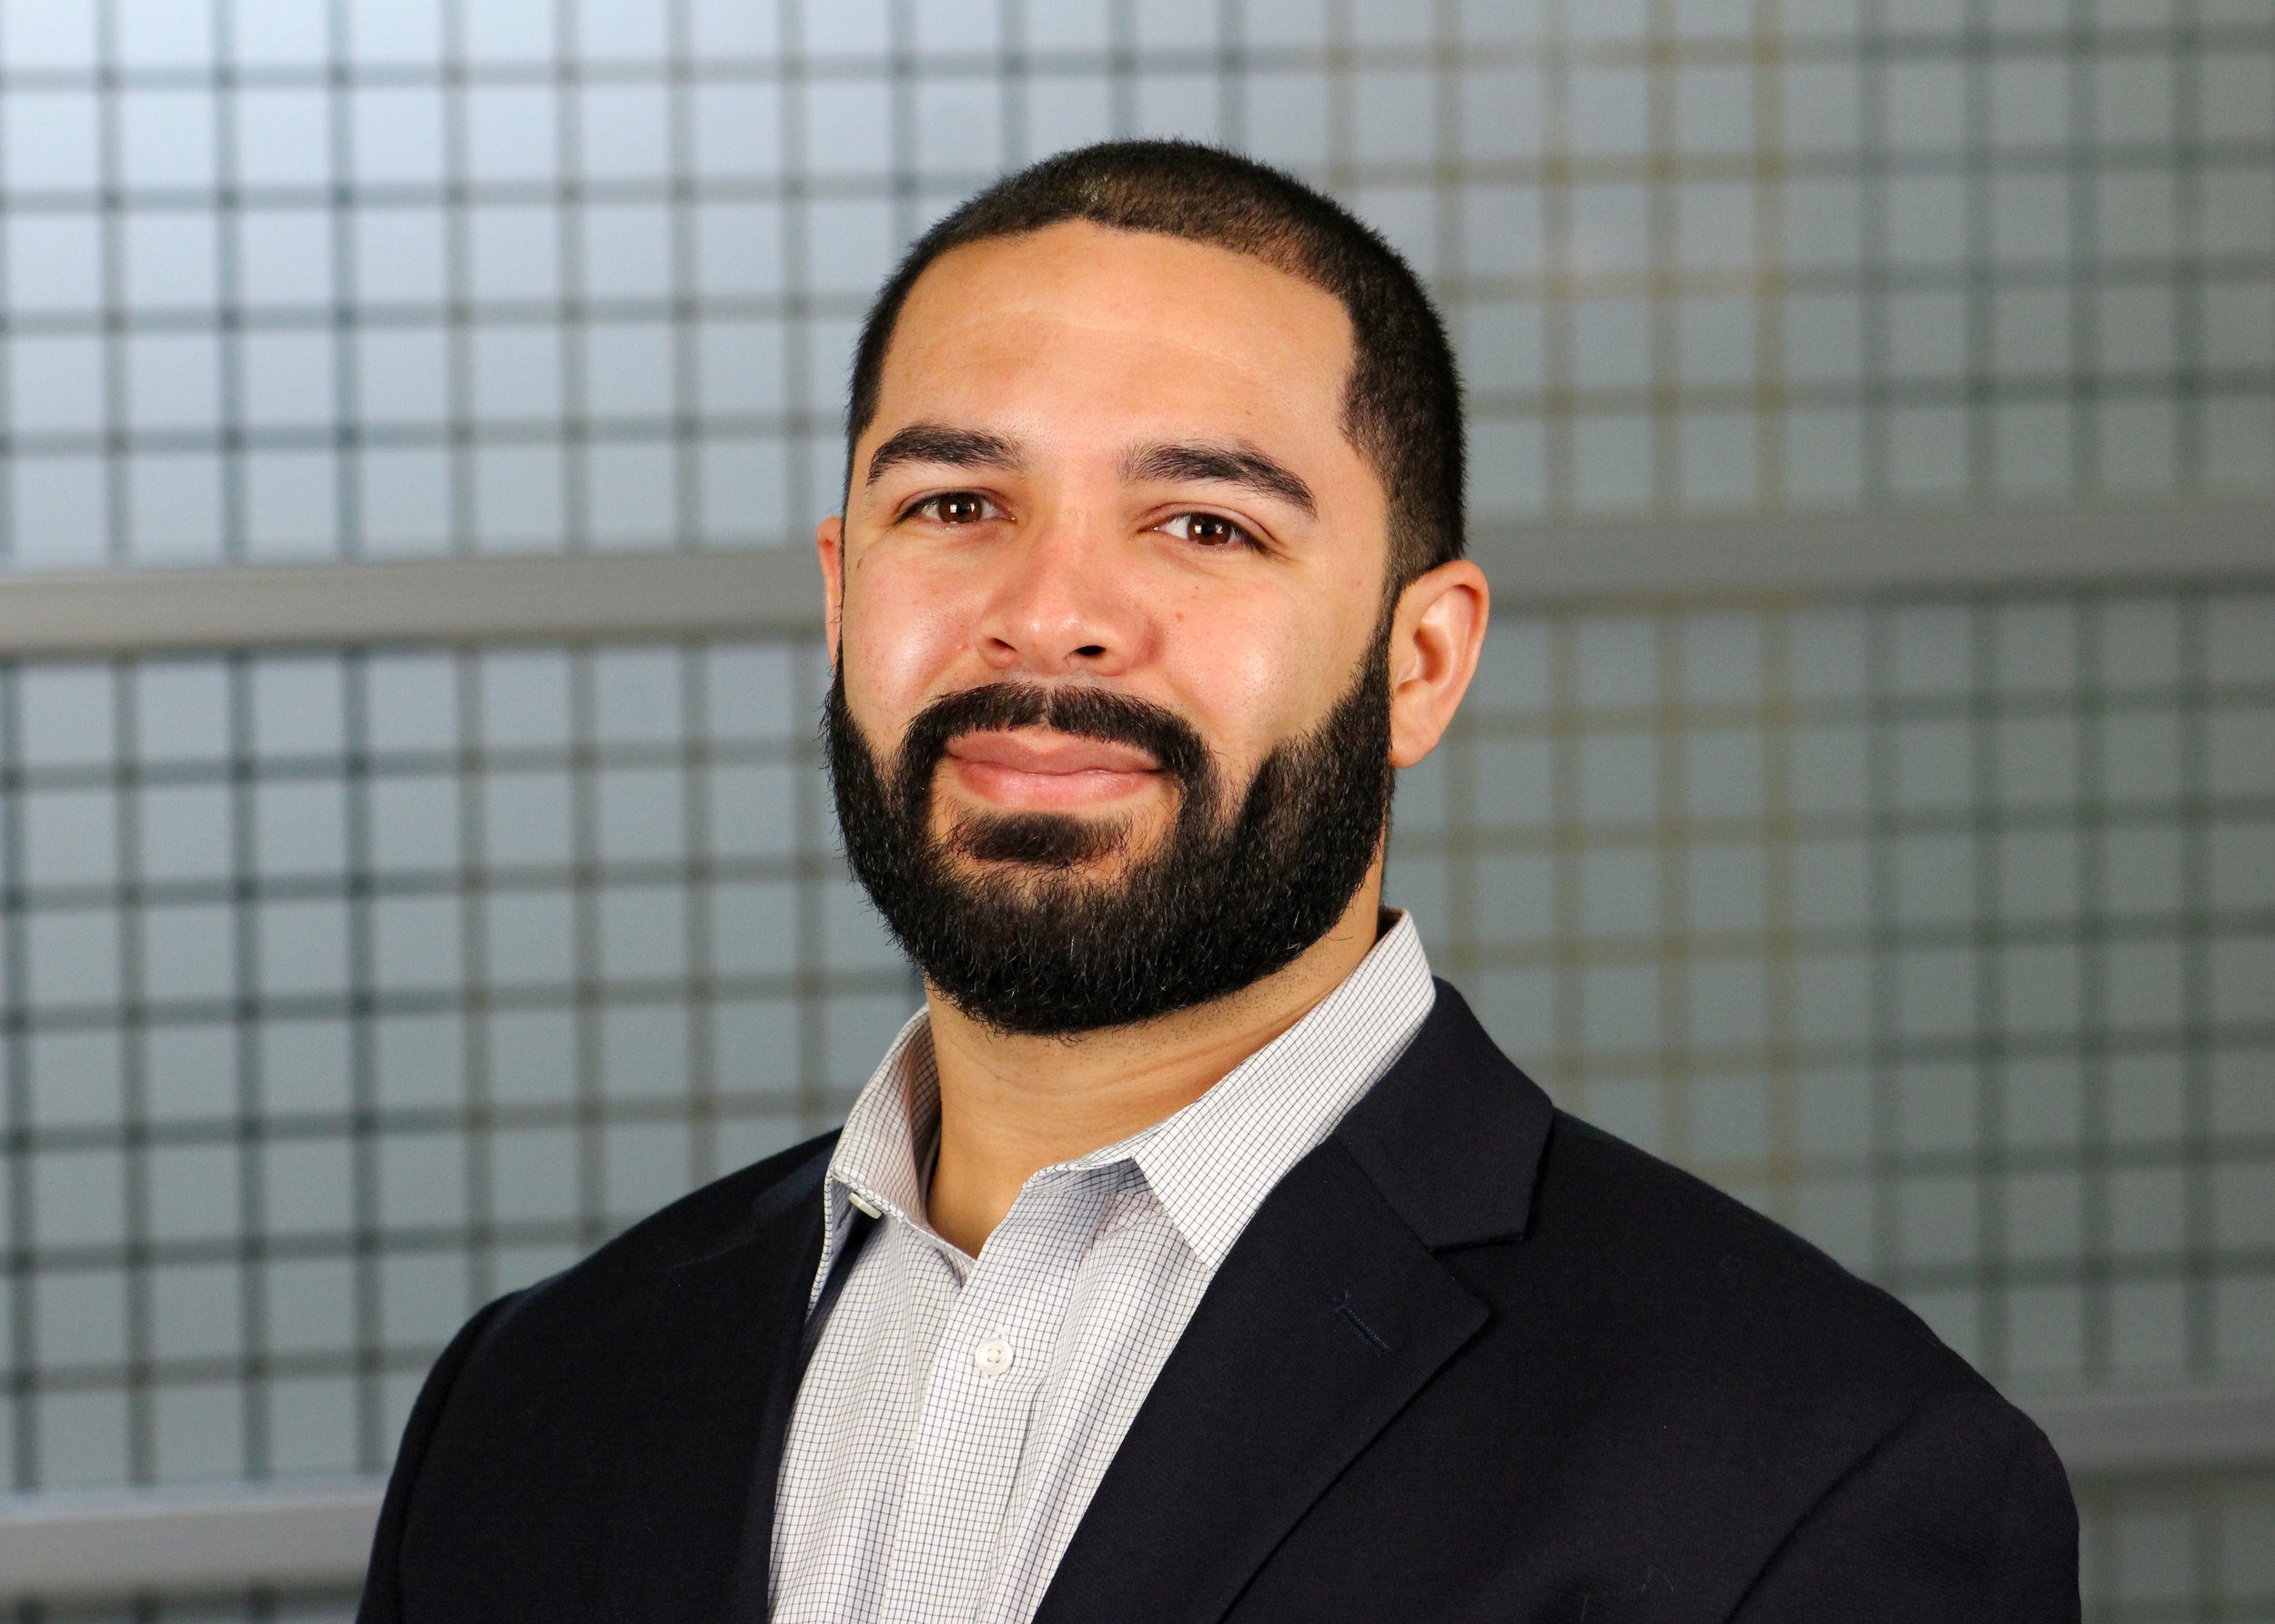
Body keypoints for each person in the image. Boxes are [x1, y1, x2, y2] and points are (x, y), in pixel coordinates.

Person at [356, 140, 2078, 1623]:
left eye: (1204, 525)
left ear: (1419, 661)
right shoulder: (538, 1398)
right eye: (955, 503)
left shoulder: (1810, 1476)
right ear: (838, 591)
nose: (1049, 611)